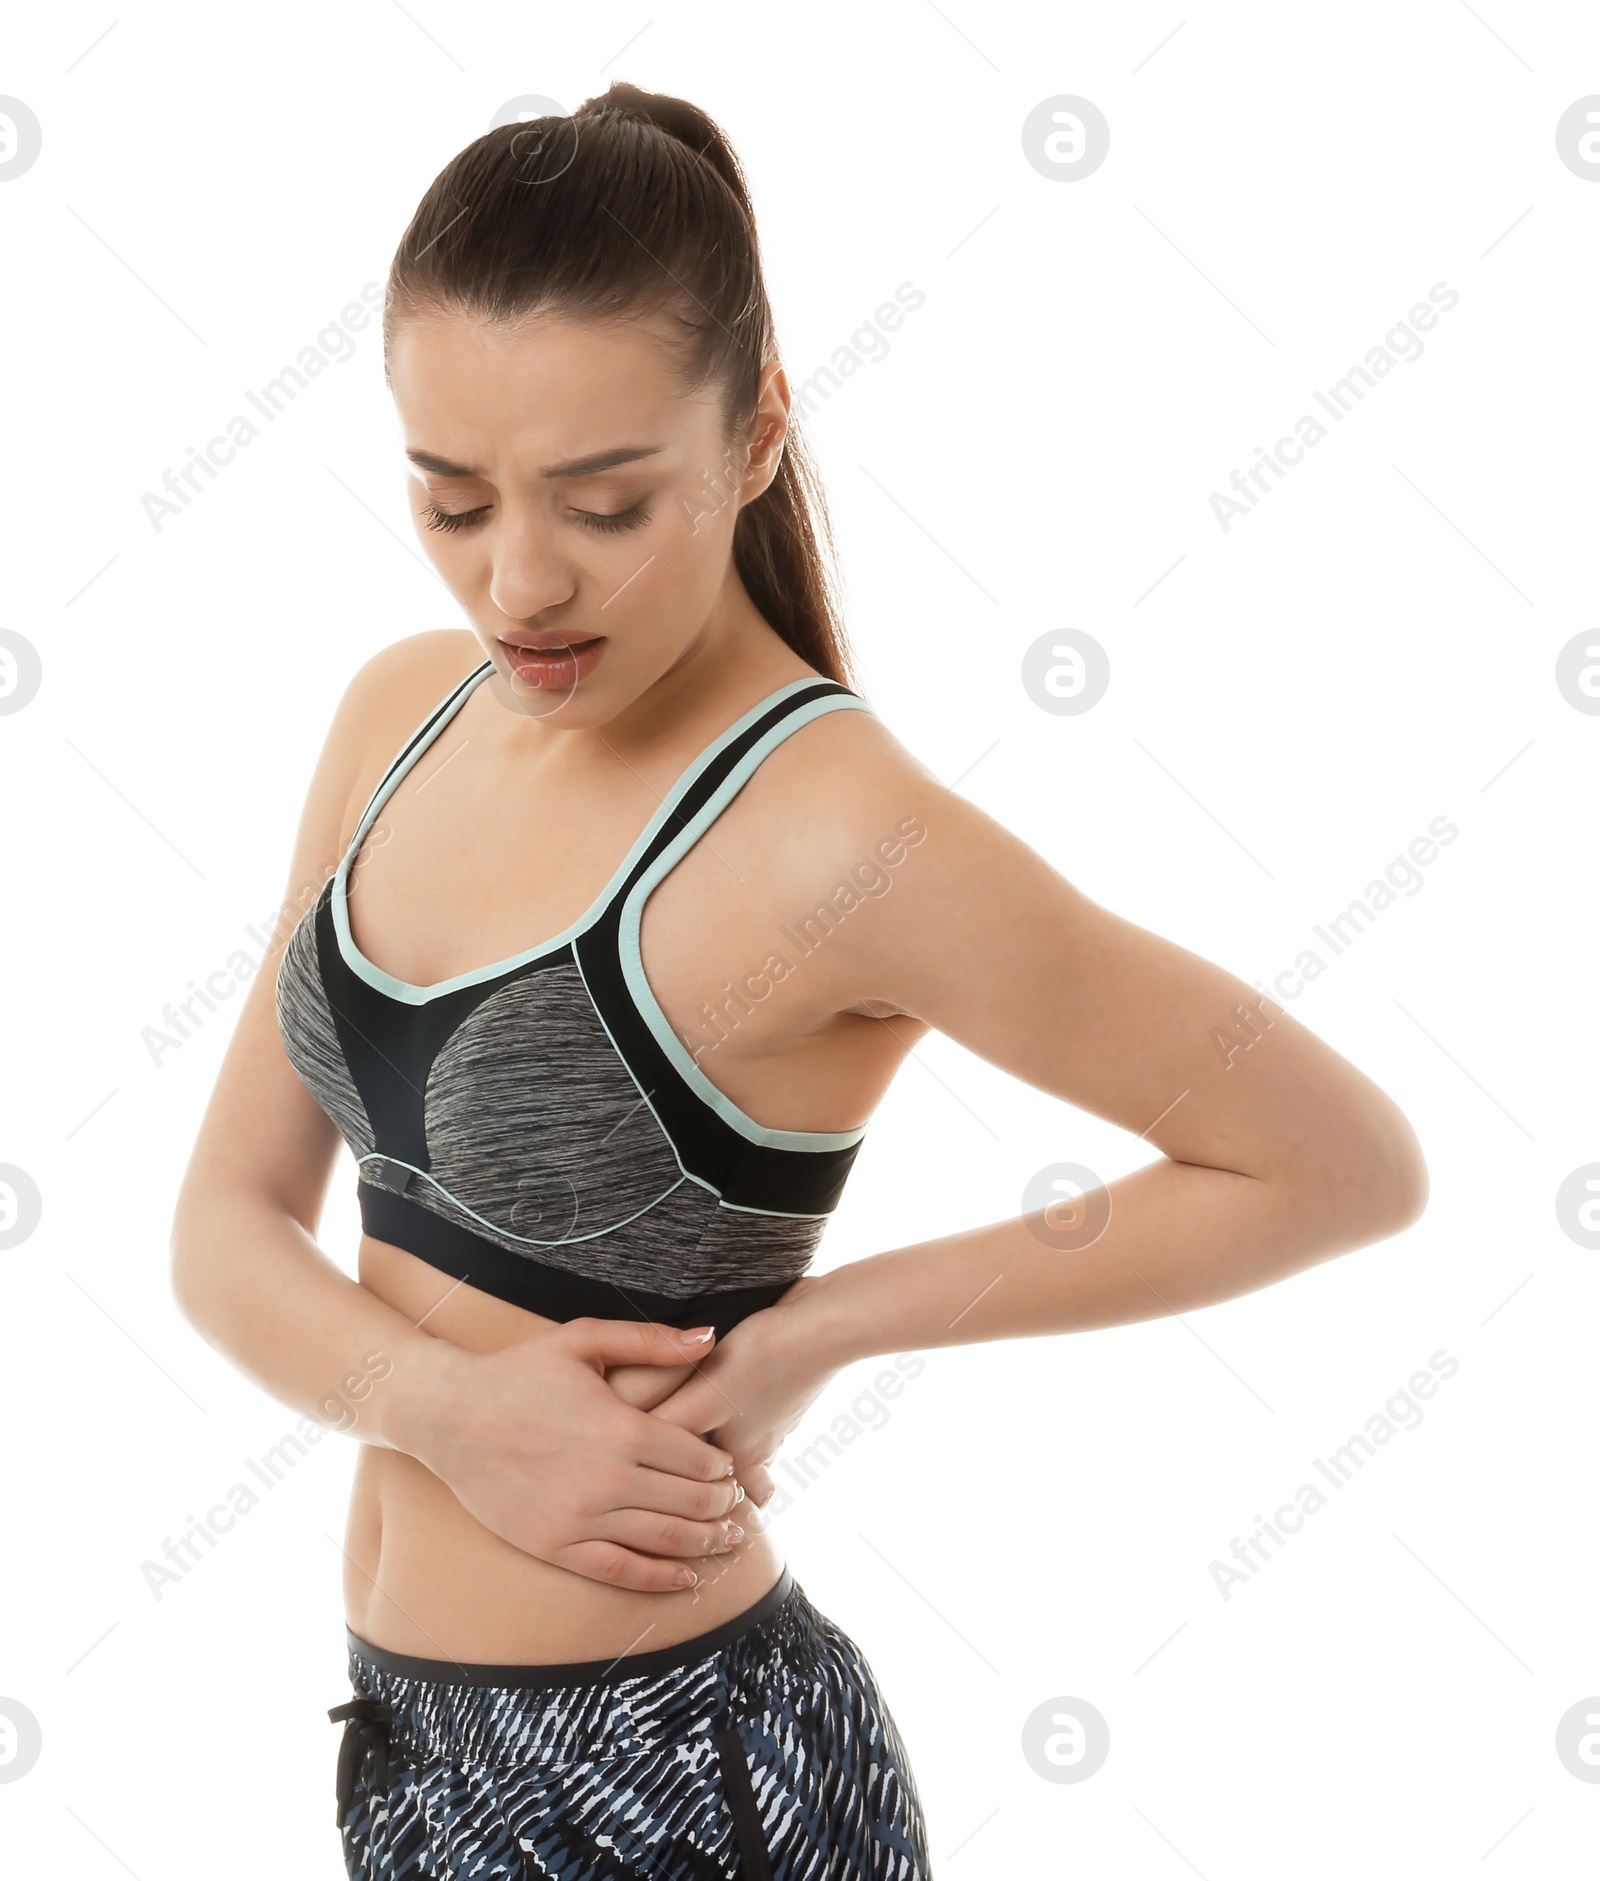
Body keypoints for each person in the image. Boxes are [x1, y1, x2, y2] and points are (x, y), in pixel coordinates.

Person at [170, 82, 1429, 1880]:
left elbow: (1339, 1164)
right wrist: (444, 1408)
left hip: (690, 1784)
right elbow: (220, 1225)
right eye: (452, 500)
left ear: (756, 427)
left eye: (605, 505)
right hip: (404, 1761)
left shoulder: (837, 836)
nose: (517, 581)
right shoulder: (396, 714)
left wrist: (830, 1327)